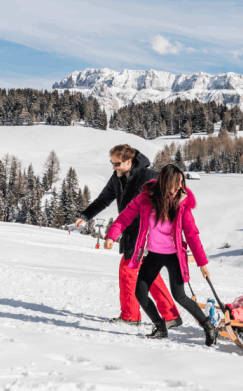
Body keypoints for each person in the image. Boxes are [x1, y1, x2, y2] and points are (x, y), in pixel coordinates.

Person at [103, 164, 217, 345]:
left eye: (181, 182)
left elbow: (192, 234)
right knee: (140, 293)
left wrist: (202, 263)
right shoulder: (146, 198)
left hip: (174, 256)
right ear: (165, 181)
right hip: (154, 254)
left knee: (179, 296)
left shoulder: (182, 204)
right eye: (176, 182)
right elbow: (125, 217)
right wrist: (111, 236)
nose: (179, 186)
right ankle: (160, 327)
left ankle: (209, 327)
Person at [75, 145, 181, 327]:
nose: (113, 167)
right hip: (131, 233)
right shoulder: (117, 178)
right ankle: (170, 315)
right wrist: (85, 215)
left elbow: (171, 194)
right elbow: (103, 199)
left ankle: (131, 316)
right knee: (150, 275)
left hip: (146, 234)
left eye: (116, 164)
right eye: (112, 163)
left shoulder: (148, 176)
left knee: (128, 272)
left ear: (129, 162)